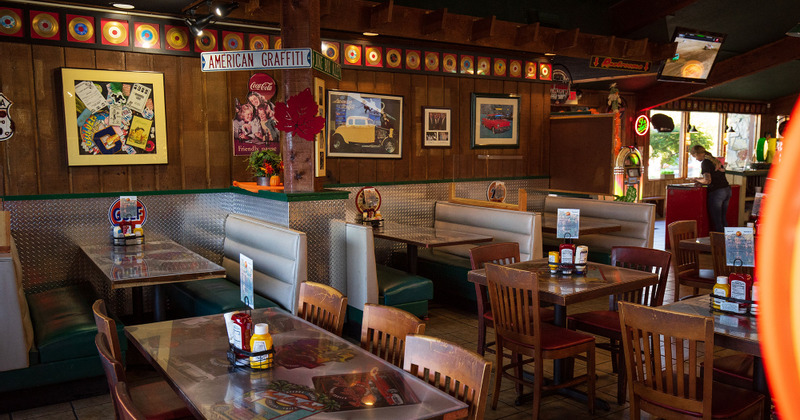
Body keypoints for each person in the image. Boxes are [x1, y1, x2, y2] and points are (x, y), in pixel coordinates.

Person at [689, 144, 731, 232]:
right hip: (727, 190)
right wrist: (699, 180)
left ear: (698, 154)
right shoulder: (715, 160)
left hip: (717, 192)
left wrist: (695, 179)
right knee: (723, 218)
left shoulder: (705, 163)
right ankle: (727, 242)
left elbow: (707, 181)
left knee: (717, 220)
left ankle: (719, 242)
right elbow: (715, 176)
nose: (696, 159)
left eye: (695, 156)